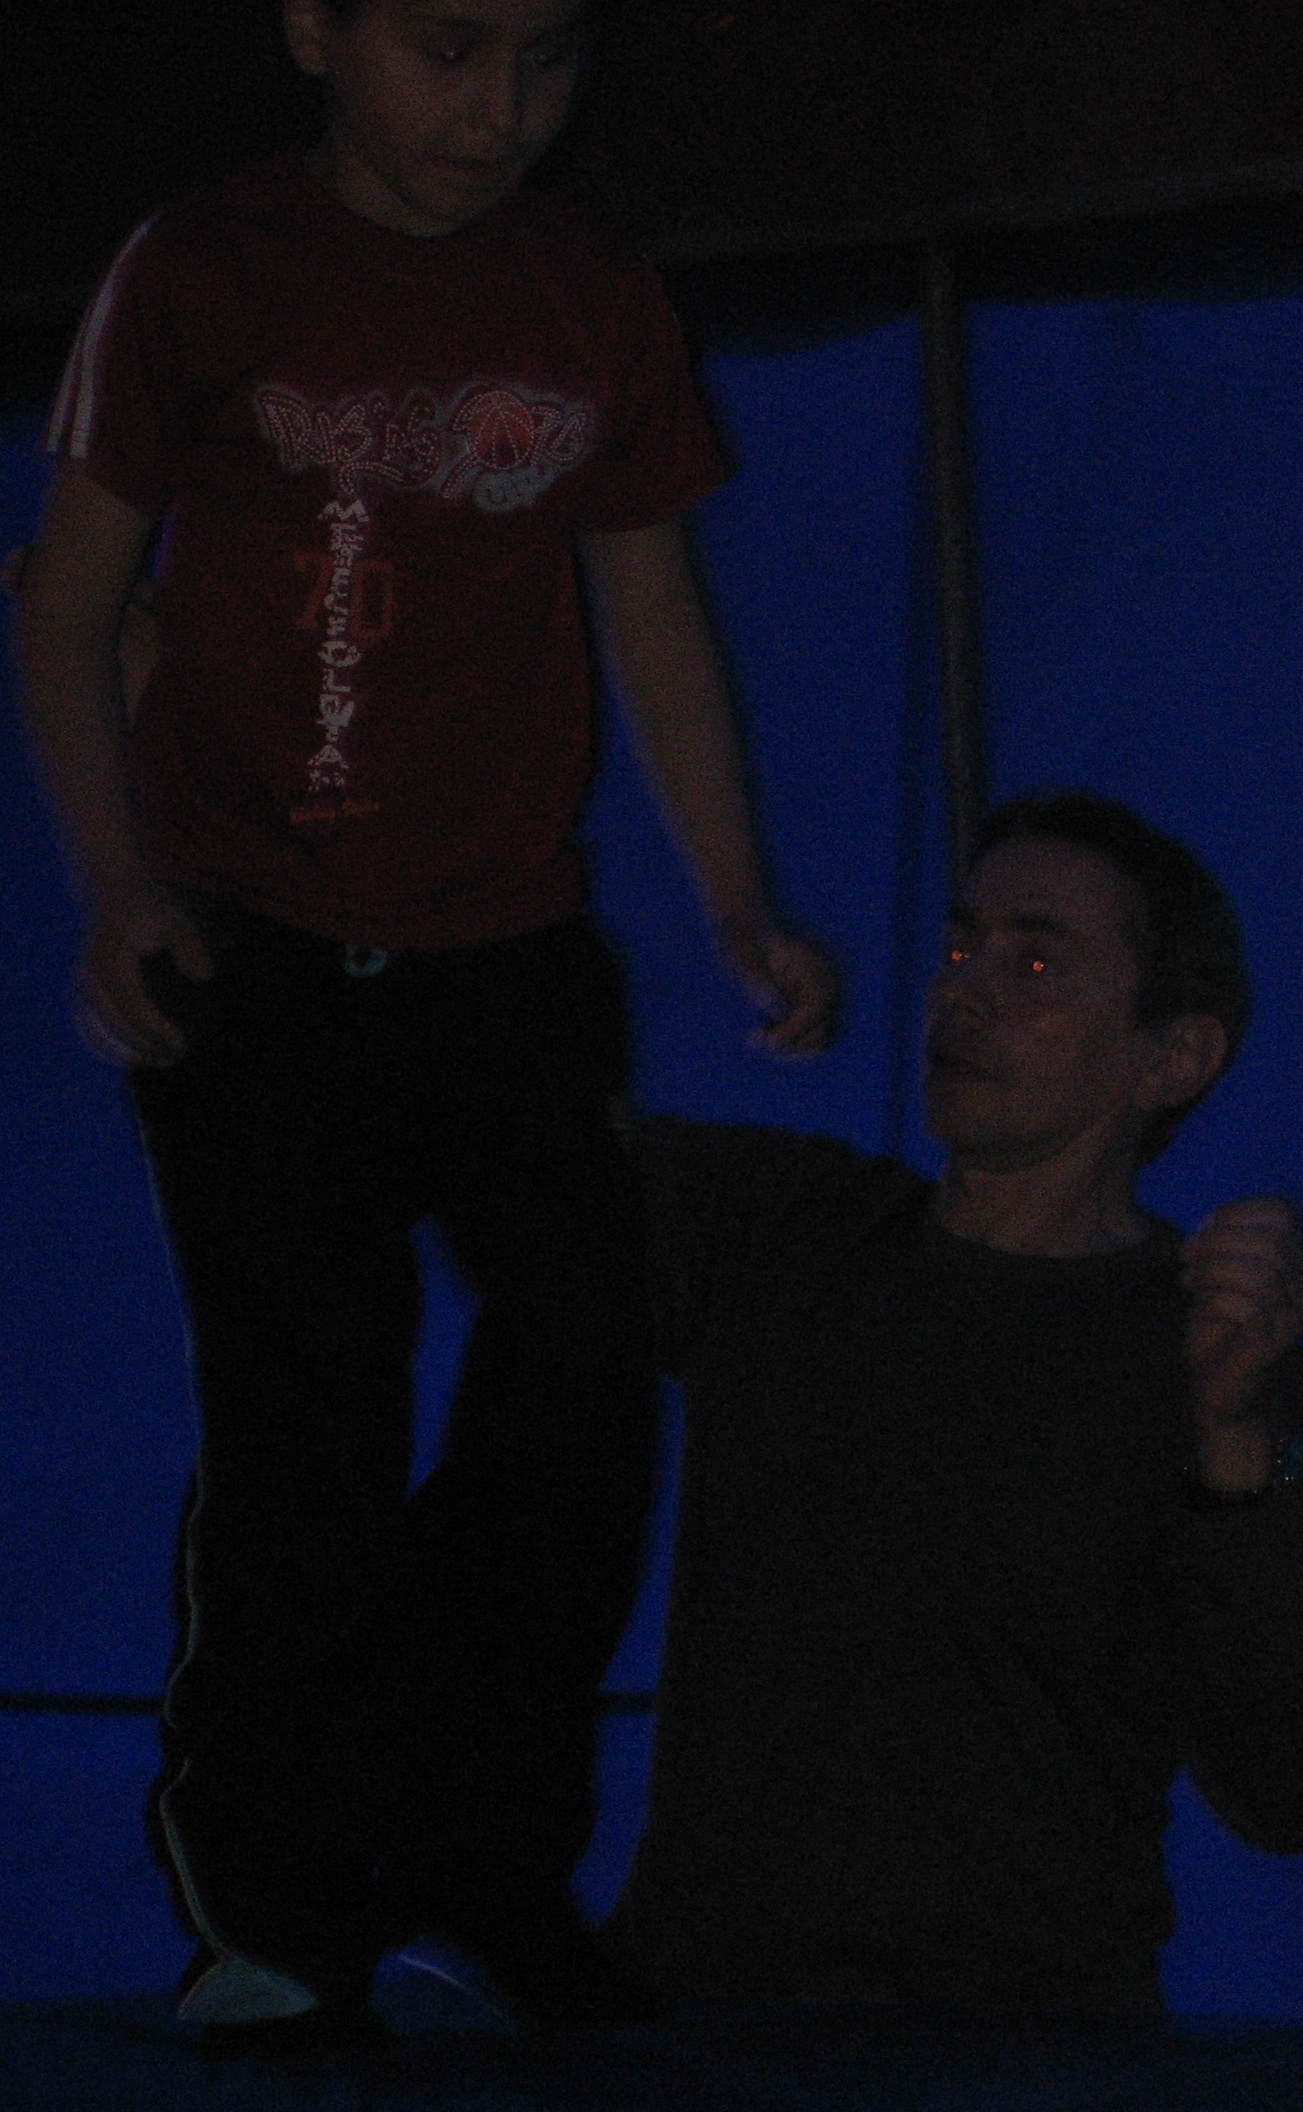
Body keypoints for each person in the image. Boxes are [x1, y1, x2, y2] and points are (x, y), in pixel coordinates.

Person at [8, 0, 835, 2054]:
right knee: (312, 1418)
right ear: (315, 28)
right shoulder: (204, 268)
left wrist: (739, 902)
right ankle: (279, 1913)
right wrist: (119, 888)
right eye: (448, 51)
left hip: (503, 941)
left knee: (580, 1378)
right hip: (256, 937)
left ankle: (476, 1854)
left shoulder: (588, 292)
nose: (498, 111)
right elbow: (70, 597)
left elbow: (653, 604)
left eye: (547, 61)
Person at [603, 791, 1303, 2017]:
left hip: (1022, 2052)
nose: (964, 993)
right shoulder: (780, 1234)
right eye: (961, 949)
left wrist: (1235, 1445)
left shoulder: (1213, 1361)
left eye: (1036, 964)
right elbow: (501, 1151)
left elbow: (1292, 1790)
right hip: (697, 2026)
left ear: (1170, 1058)